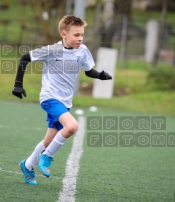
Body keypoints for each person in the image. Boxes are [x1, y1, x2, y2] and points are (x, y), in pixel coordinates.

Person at [12, 15, 112, 186]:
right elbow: (24, 59)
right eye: (76, 35)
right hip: (49, 98)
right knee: (72, 126)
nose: (80, 38)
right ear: (64, 34)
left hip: (65, 102)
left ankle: (27, 165)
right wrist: (18, 85)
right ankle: (47, 157)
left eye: (82, 35)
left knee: (49, 140)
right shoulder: (52, 50)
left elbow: (88, 71)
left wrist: (99, 75)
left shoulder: (82, 51)